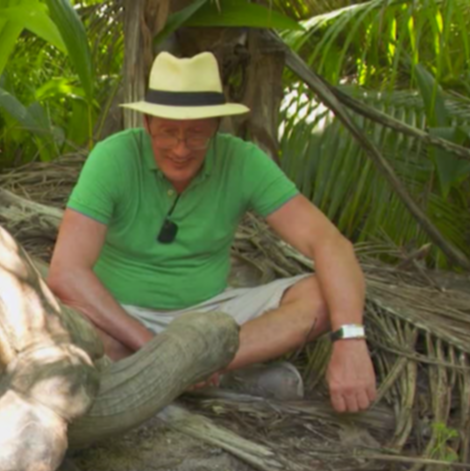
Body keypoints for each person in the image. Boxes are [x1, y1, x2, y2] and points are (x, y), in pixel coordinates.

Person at [46, 51, 377, 413]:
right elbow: (67, 272)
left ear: (218, 126)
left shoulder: (243, 160)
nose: (181, 148)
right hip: (121, 317)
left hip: (213, 322)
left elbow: (330, 243)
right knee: (61, 322)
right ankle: (217, 379)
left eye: (197, 135)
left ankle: (193, 375)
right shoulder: (113, 158)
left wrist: (350, 338)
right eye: (168, 132)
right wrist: (156, 348)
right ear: (147, 122)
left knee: (323, 295)